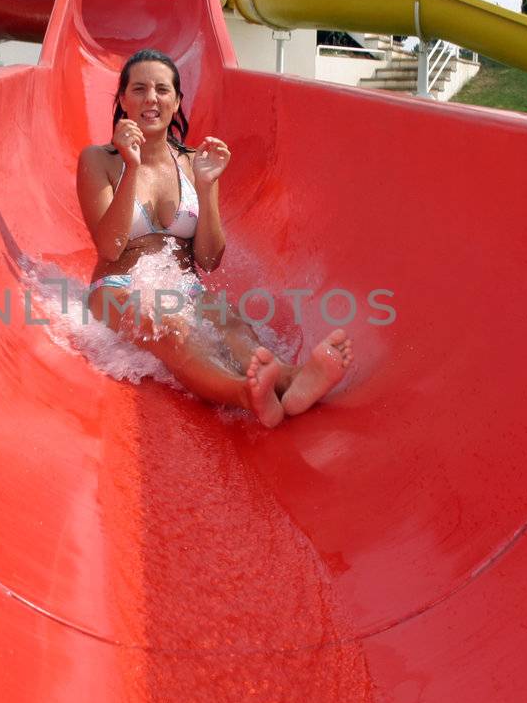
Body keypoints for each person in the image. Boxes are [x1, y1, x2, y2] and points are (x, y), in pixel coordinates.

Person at [75, 48, 352, 428]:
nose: (151, 99)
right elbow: (110, 246)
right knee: (168, 326)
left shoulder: (193, 163)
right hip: (117, 287)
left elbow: (207, 260)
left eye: (162, 90)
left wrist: (206, 188)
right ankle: (245, 391)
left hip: (182, 286)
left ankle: (291, 379)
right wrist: (132, 164)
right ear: (122, 99)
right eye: (138, 89)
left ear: (177, 102)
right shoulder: (98, 160)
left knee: (232, 323)